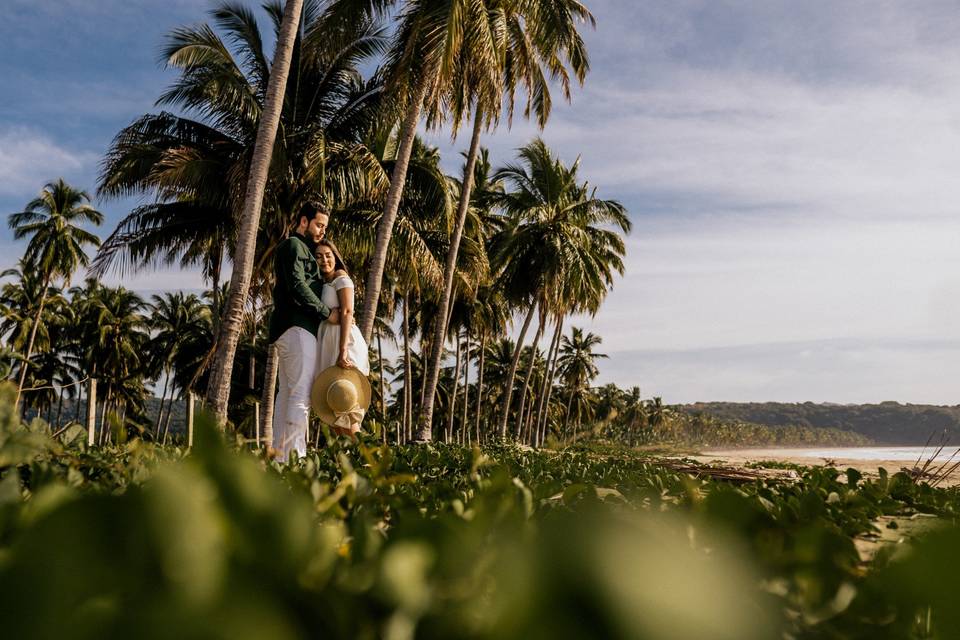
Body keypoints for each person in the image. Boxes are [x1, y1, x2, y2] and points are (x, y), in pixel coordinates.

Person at [267, 203, 336, 458]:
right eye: (319, 225)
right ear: (303, 221)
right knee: (300, 397)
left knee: (286, 394)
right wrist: (327, 312)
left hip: (291, 330)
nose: (322, 231)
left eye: (325, 227)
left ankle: (281, 457)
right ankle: (296, 459)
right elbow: (297, 285)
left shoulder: (303, 249)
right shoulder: (294, 246)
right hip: (298, 328)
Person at [313, 238, 370, 436]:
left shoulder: (341, 277)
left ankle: (364, 459)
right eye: (318, 256)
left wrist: (343, 350)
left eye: (328, 255)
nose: (324, 260)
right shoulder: (323, 282)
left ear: (335, 257)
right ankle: (344, 461)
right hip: (328, 344)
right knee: (334, 411)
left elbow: (347, 312)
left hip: (344, 344)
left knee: (348, 409)